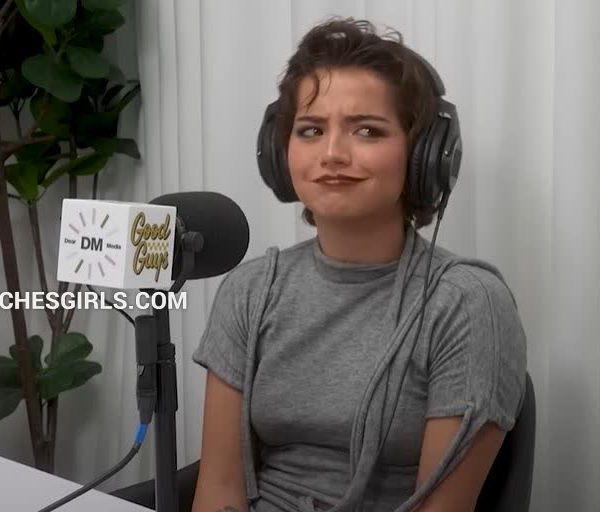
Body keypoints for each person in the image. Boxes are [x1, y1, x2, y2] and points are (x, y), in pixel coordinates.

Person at [191, 17, 527, 512]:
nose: (332, 153)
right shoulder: (252, 290)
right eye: (311, 130)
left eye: (367, 130)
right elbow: (220, 489)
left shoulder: (466, 304)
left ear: (425, 156)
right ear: (280, 156)